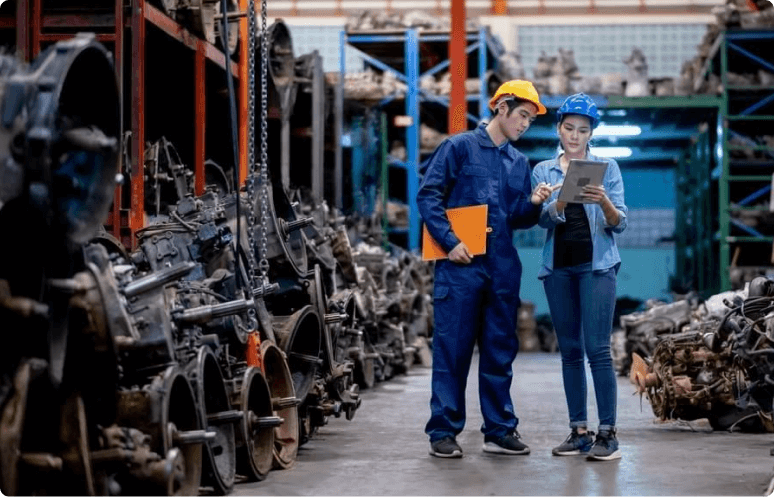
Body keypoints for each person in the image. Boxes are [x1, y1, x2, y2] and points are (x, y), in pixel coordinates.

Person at [417, 80, 556, 458]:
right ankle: (443, 431)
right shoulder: (458, 148)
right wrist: (450, 242)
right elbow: (428, 196)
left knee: (499, 350)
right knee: (453, 350)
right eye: (522, 115)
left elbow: (518, 219)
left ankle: (498, 429)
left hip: (501, 267)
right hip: (460, 266)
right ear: (502, 107)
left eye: (530, 118)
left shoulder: (518, 162)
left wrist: (534, 202)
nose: (525, 124)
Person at [530, 93, 628, 461]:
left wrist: (603, 202)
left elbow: (620, 224)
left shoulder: (608, 168)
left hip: (597, 267)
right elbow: (538, 220)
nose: (574, 136)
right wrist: (552, 202)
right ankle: (579, 432)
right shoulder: (543, 171)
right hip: (558, 269)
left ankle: (608, 433)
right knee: (569, 352)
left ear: (591, 134)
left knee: (597, 350)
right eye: (569, 128)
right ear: (558, 129)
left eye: (582, 130)